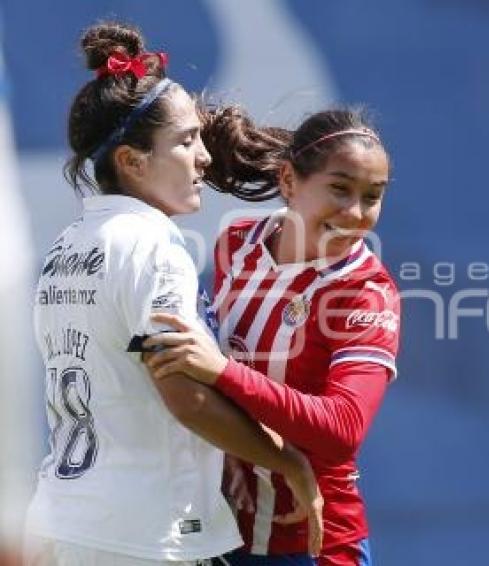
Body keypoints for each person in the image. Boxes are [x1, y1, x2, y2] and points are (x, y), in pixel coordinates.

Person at [25, 22, 322, 565]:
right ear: (133, 162)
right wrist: (288, 462)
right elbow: (184, 397)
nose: (204, 157)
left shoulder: (66, 246)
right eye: (185, 141)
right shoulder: (154, 246)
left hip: (65, 520)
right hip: (142, 536)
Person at [143, 106, 401, 565]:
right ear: (288, 181)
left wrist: (221, 371)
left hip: (315, 545)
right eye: (340, 189)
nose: (356, 213)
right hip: (219, 535)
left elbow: (342, 430)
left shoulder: (366, 292)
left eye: (373, 196)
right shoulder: (237, 243)